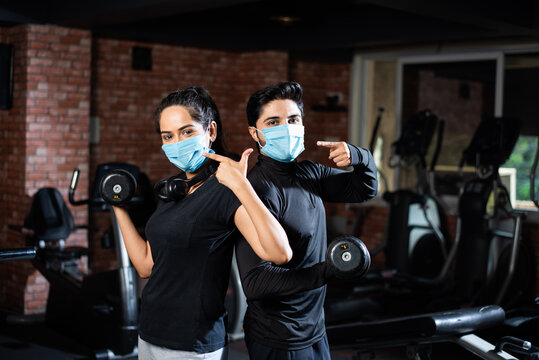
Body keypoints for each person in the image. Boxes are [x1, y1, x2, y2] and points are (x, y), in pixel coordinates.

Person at [110, 86, 292, 360]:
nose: (177, 143)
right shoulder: (174, 191)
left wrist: (243, 187)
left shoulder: (226, 191)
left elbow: (279, 253)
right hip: (150, 331)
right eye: (167, 136)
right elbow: (146, 265)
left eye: (187, 132)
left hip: (193, 342)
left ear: (211, 131)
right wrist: (118, 208)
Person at [235, 81, 378, 359]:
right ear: (255, 132)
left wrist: (359, 157)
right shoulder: (257, 190)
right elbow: (256, 282)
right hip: (279, 337)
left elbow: (364, 189)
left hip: (314, 327)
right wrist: (329, 270)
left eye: (293, 119)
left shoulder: (310, 174)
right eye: (273, 122)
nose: (285, 128)